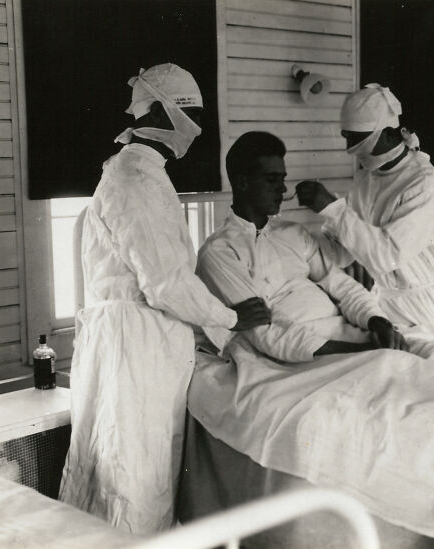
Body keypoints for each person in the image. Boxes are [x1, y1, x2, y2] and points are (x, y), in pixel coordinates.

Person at [58, 64, 271, 534]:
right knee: (132, 477)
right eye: (186, 115)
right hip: (135, 347)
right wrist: (229, 319)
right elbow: (166, 283)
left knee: (131, 473)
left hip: (142, 343)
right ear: (157, 112)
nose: (194, 130)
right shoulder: (134, 178)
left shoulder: (147, 176)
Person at [196, 131, 406, 363]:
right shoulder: (219, 251)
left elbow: (343, 287)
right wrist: (361, 352)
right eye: (271, 179)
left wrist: (378, 321)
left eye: (282, 179)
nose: (283, 189)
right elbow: (267, 332)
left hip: (347, 335)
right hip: (300, 355)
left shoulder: (293, 232)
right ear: (243, 182)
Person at [295, 84, 434, 339]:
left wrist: (334, 209)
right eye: (348, 138)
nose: (354, 149)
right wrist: (300, 247)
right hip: (386, 303)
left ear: (390, 134)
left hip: (431, 305)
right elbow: (350, 246)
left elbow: (385, 255)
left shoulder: (422, 184)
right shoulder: (366, 179)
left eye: (360, 141)